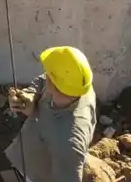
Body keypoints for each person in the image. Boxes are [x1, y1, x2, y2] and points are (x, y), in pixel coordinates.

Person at [5, 47, 98, 182]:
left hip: (41, 175)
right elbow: (42, 80)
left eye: (48, 74)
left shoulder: (69, 142)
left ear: (53, 84)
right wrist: (30, 95)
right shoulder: (77, 86)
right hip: (31, 153)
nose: (45, 75)